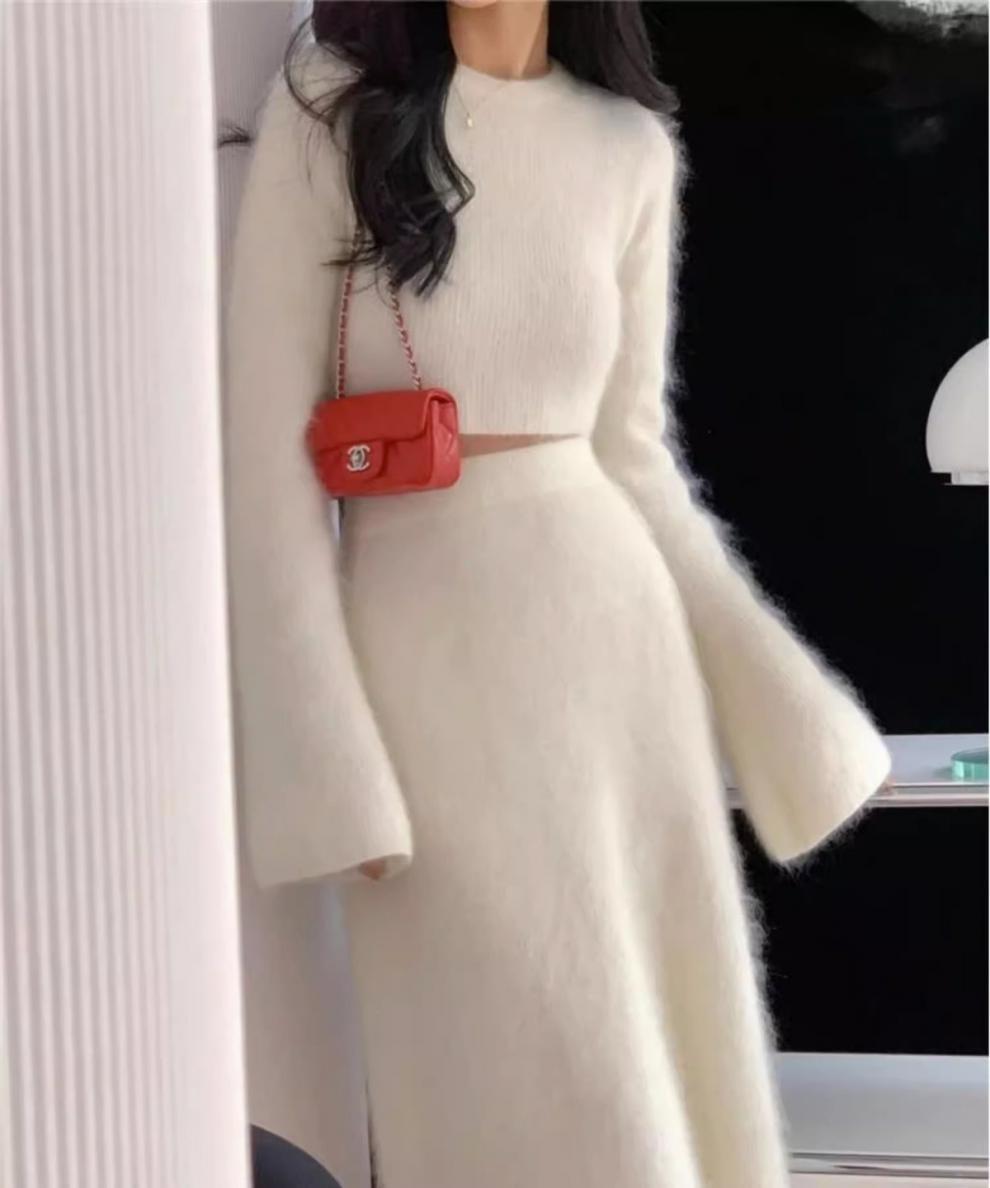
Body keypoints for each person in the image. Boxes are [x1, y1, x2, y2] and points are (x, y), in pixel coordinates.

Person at [222, 2, 893, 1185]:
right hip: (431, 675)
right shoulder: (335, 115)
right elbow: (264, 466)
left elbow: (635, 457)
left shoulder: (626, 149)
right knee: (530, 1079)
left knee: (665, 1057)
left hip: (618, 656)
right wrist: (325, 771)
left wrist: (788, 708)